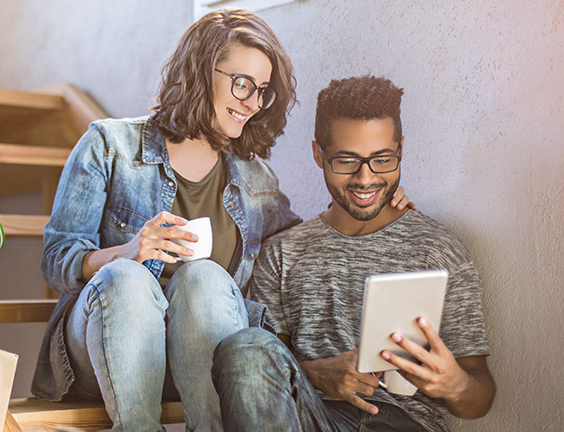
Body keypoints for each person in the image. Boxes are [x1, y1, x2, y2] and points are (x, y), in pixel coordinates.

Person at [31, 10, 412, 431]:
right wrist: (126, 252)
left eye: (262, 91)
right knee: (128, 278)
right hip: (105, 352)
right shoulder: (109, 144)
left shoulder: (253, 176)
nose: (251, 103)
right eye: (242, 84)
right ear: (199, 71)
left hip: (196, 360)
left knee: (206, 278)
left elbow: (300, 245)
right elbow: (57, 259)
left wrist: (375, 201)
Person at [212, 75, 496, 432]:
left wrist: (456, 384)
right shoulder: (283, 254)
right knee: (244, 347)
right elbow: (266, 370)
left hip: (404, 423)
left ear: (401, 150)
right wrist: (315, 374)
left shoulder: (436, 249)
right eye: (346, 161)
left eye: (382, 159)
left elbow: (480, 397)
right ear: (319, 154)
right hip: (315, 417)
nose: (365, 179)